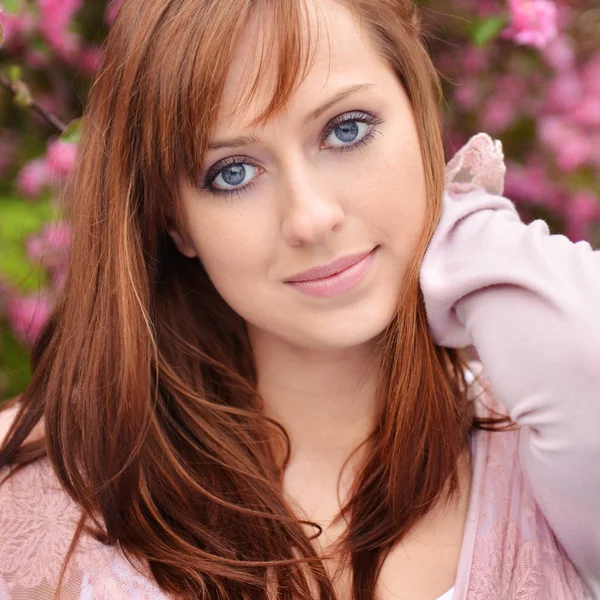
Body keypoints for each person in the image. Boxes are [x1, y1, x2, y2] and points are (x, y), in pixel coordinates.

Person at [0, 0, 598, 598]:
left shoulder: (548, 445)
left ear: (419, 113)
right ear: (175, 222)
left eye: (347, 130)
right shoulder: (37, 501)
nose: (310, 218)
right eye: (232, 172)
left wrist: (469, 233)